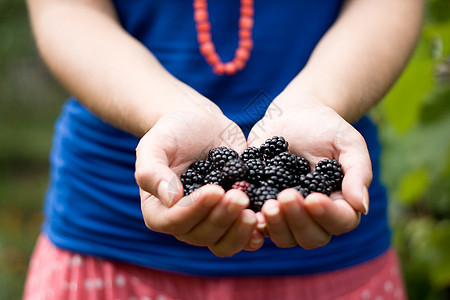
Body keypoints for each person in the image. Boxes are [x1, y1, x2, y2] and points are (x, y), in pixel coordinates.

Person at [24, 0, 423, 299]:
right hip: (108, 236)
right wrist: (168, 110)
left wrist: (321, 100)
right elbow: (67, 13)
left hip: (335, 262)